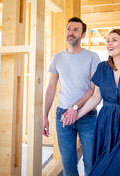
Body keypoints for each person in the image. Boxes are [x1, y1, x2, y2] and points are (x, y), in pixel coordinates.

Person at [62, 28, 120, 176]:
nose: (109, 43)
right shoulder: (102, 68)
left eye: (114, 40)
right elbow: (95, 98)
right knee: (102, 166)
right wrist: (75, 116)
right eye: (107, 40)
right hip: (106, 122)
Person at [43, 17, 101, 176]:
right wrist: (44, 116)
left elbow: (93, 89)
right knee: (68, 166)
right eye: (69, 29)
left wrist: (75, 108)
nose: (71, 32)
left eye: (76, 30)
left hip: (87, 115)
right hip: (63, 116)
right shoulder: (57, 58)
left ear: (83, 35)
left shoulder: (92, 57)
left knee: (91, 164)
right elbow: (50, 87)